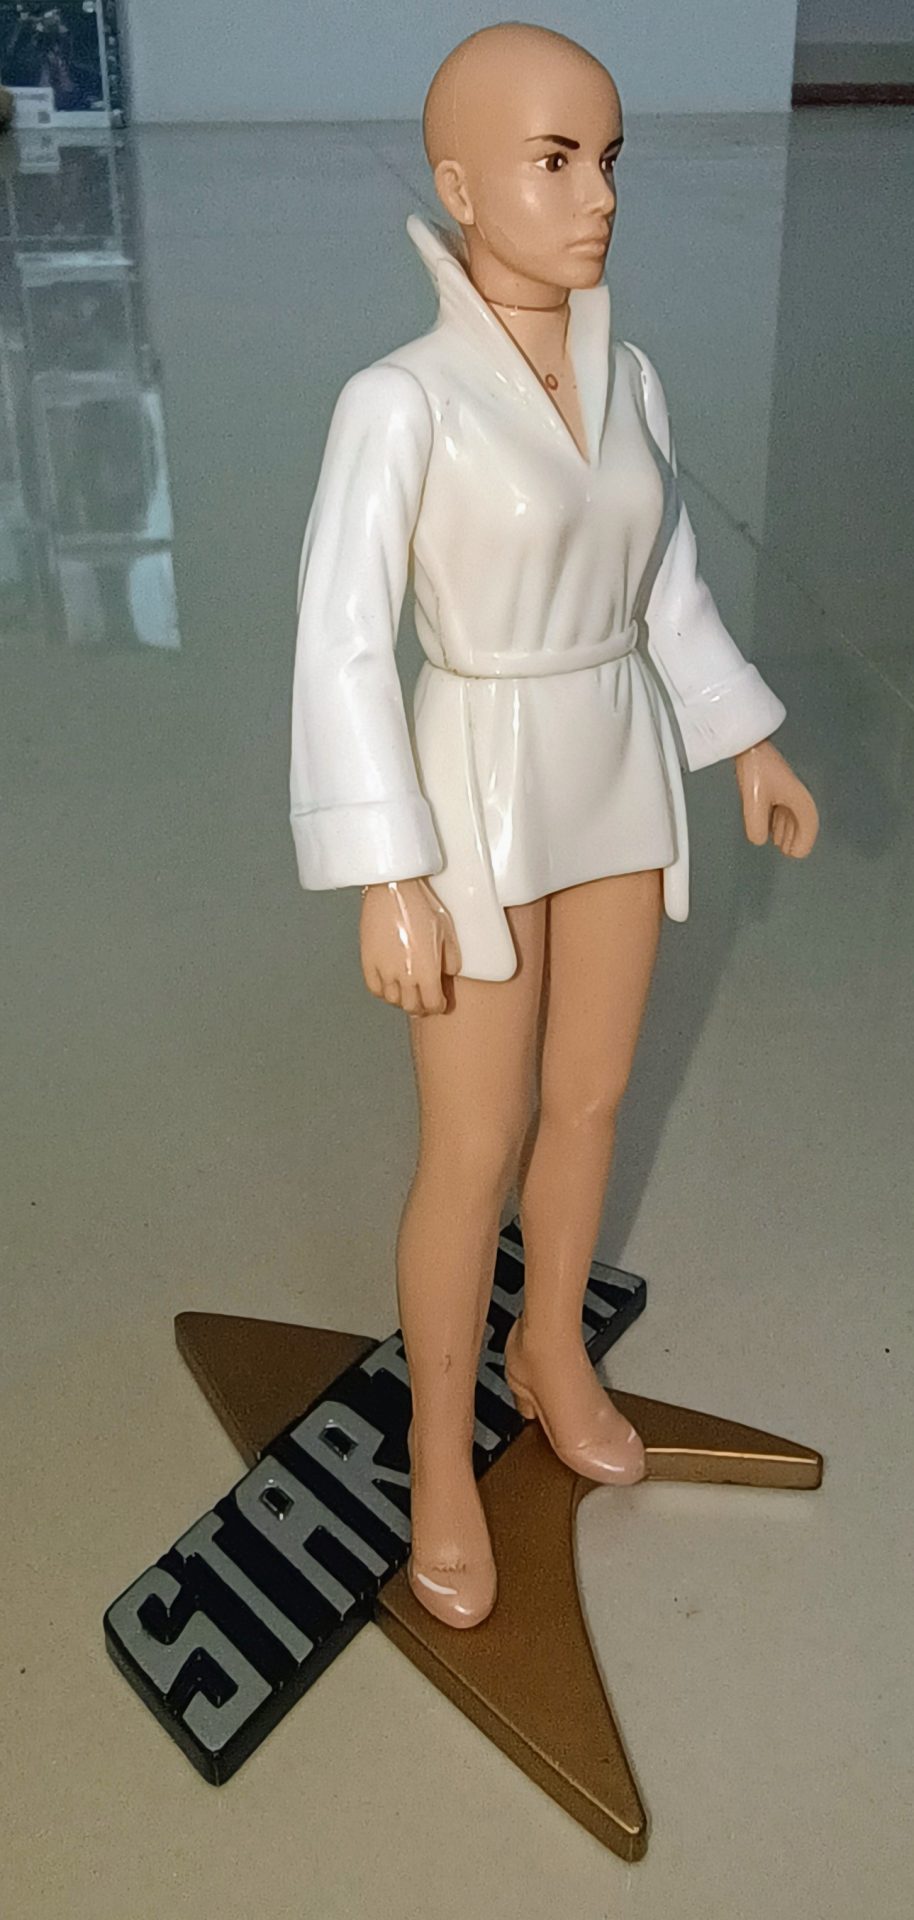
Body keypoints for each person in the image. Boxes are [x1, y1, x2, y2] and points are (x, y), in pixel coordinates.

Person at [289, 22, 819, 1630]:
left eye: (608, 159)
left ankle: (548, 1346)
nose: (598, 196)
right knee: (474, 1145)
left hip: (616, 766)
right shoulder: (398, 401)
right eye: (553, 159)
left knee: (587, 1101)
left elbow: (665, 588)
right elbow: (338, 645)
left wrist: (743, 736)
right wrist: (388, 870)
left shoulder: (626, 378)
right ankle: (435, 1451)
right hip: (477, 780)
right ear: (457, 187)